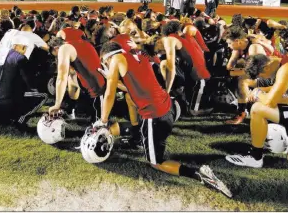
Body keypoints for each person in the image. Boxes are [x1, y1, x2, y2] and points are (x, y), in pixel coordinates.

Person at [94, 42, 232, 198]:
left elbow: (109, 94)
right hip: (169, 105)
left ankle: (199, 174)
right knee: (130, 99)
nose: (106, 66)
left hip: (155, 116)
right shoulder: (137, 54)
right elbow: (135, 88)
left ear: (107, 57)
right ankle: (139, 137)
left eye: (104, 63)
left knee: (156, 163)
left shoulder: (117, 59)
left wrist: (103, 121)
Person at [226, 54, 288, 167]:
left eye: (261, 75)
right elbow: (278, 87)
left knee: (258, 109)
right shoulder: (281, 63)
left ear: (266, 68)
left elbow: (270, 102)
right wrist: (259, 90)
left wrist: (257, 93)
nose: (264, 79)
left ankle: (255, 157)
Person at [47, 36, 106, 118]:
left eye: (56, 55)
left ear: (56, 48)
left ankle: (70, 108)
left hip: (97, 91)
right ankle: (71, 109)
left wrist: (57, 104)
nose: (57, 58)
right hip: (102, 84)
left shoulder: (63, 49)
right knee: (71, 77)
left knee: (101, 127)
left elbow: (61, 78)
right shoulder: (77, 42)